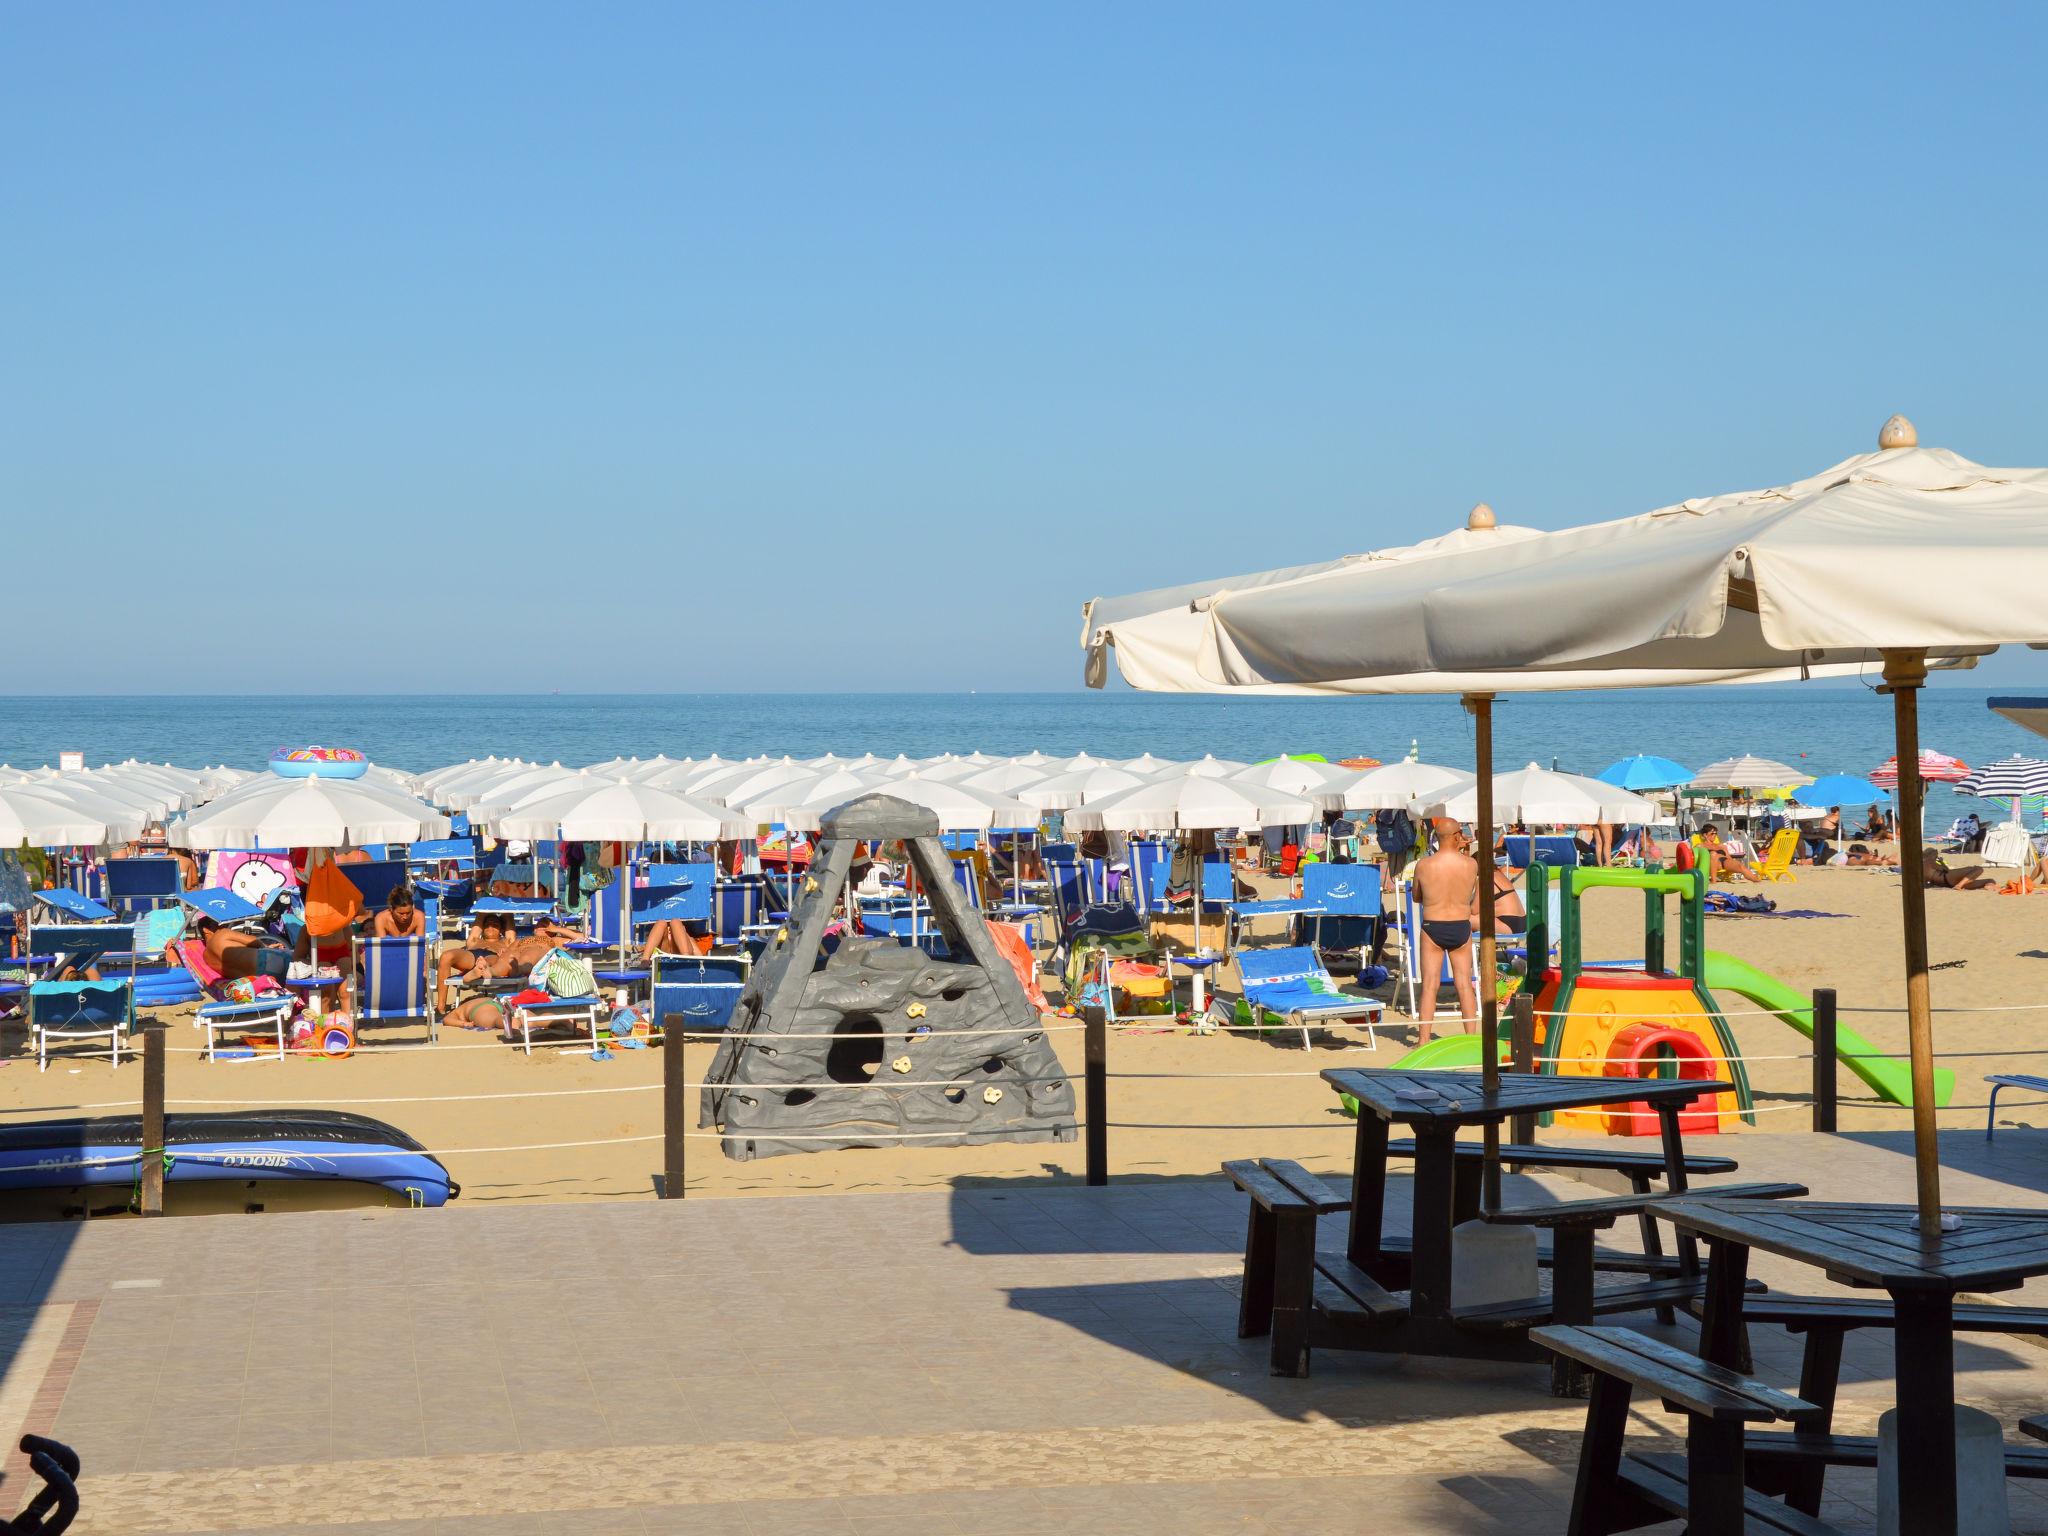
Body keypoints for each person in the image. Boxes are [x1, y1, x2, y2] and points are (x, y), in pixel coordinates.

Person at [1411, 825, 1479, 1045]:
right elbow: (1473, 898)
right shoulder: (1471, 864)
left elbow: (1416, 897)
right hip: (1460, 924)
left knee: (1430, 985)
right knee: (1464, 984)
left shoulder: (1424, 865)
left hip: (1433, 925)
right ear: (1457, 836)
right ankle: (1470, 1040)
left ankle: (1423, 1041)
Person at [1477, 858, 1526, 936]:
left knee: (1466, 919)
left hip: (1507, 924)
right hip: (1522, 923)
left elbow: (1474, 909)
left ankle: (1464, 947)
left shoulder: (1486, 877)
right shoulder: (1499, 874)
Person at [1923, 849, 1995, 890]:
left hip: (1948, 884)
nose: (1936, 857)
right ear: (1932, 855)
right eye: (1936, 856)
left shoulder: (1922, 865)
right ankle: (1959, 885)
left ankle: (1989, 885)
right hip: (1948, 877)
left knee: (1989, 880)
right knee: (1978, 869)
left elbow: (1927, 882)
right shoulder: (1930, 861)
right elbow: (1946, 870)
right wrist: (1941, 862)